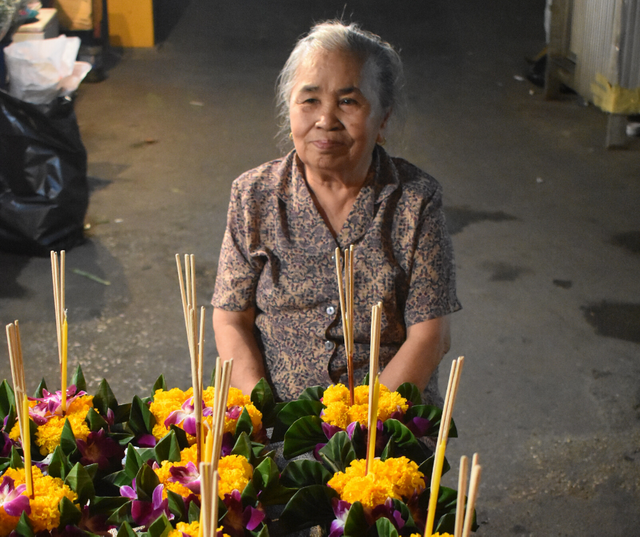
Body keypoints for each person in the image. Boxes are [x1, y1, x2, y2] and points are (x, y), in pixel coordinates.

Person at [212, 20, 461, 404]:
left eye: (348, 101)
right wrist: (262, 410)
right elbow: (231, 318)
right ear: (289, 110)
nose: (325, 120)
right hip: (278, 426)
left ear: (383, 118)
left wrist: (361, 427)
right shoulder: (254, 196)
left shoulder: (416, 201)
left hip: (383, 426)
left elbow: (431, 336)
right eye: (309, 100)